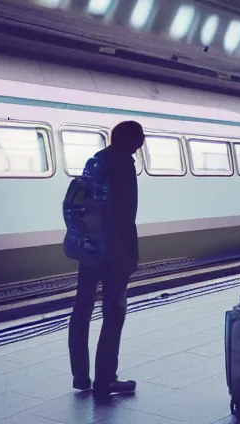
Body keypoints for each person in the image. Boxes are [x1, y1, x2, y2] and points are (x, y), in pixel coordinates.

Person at [68, 120, 145, 398]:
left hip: (89, 248)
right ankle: (105, 380)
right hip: (113, 253)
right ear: (135, 141)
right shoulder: (123, 165)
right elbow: (125, 216)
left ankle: (80, 376)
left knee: (82, 308)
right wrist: (129, 256)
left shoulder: (95, 162)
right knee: (113, 313)